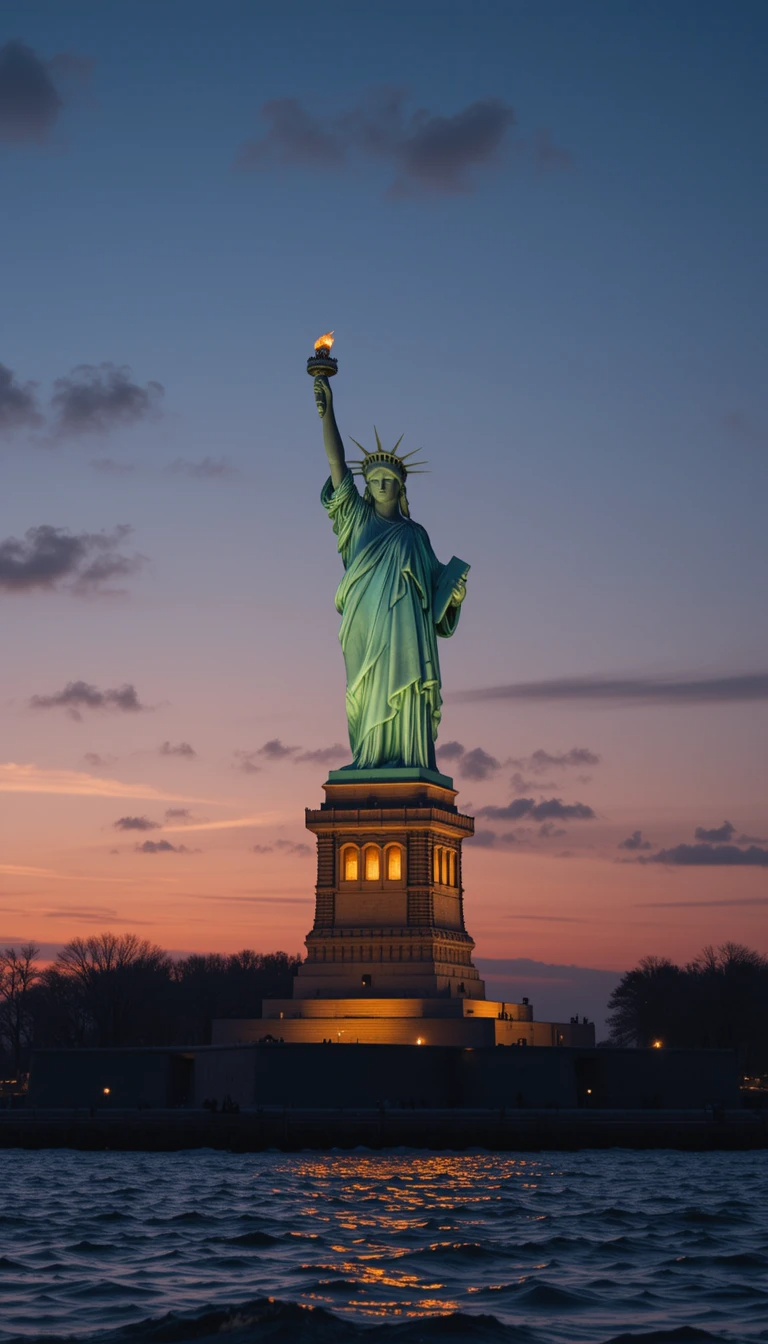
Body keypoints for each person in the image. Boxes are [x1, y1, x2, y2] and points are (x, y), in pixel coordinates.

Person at [313, 374, 467, 771]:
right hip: (364, 626)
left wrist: (454, 596)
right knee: (364, 693)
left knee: (406, 686)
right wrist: (328, 411)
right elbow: (335, 463)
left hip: (405, 634)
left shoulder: (415, 535)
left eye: (389, 481)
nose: (381, 484)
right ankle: (368, 758)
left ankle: (407, 756)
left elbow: (436, 599)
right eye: (374, 480)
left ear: (401, 488)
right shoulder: (356, 521)